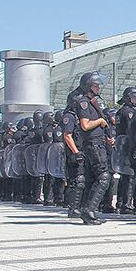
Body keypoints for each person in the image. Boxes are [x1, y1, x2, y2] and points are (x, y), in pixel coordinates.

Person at [74, 72, 113, 225]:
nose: (98, 88)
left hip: (95, 143)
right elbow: (85, 125)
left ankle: (88, 211)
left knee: (92, 178)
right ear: (89, 86)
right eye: (96, 85)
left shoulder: (90, 102)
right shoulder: (84, 102)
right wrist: (100, 121)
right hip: (93, 144)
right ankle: (90, 209)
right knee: (104, 177)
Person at [61, 90, 87, 219]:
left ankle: (78, 206)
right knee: (77, 180)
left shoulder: (77, 116)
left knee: (80, 180)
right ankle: (73, 208)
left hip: (80, 151)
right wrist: (76, 152)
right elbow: (67, 136)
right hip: (74, 153)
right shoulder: (69, 116)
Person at [115, 87, 136, 214]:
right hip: (128, 146)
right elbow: (132, 129)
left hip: (121, 146)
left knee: (124, 175)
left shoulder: (120, 112)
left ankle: (120, 202)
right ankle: (126, 204)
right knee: (130, 176)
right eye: (134, 98)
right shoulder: (129, 112)